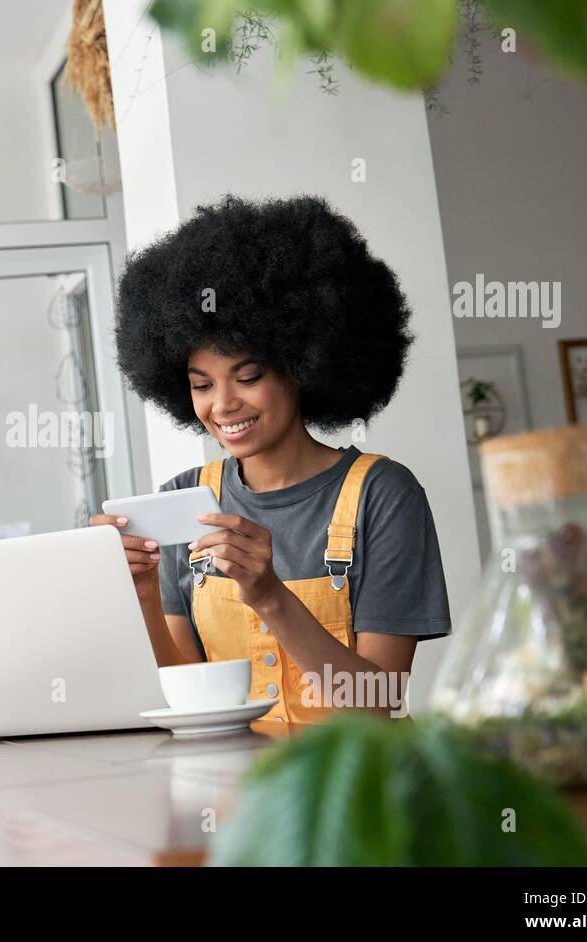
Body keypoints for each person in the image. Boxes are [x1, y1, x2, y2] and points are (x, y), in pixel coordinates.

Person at [94, 195, 450, 728]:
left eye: (248, 376)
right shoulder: (182, 502)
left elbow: (376, 705)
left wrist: (269, 595)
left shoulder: (384, 494)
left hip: (353, 794)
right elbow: (186, 700)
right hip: (228, 795)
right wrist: (141, 595)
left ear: (304, 364)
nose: (223, 404)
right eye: (201, 385)